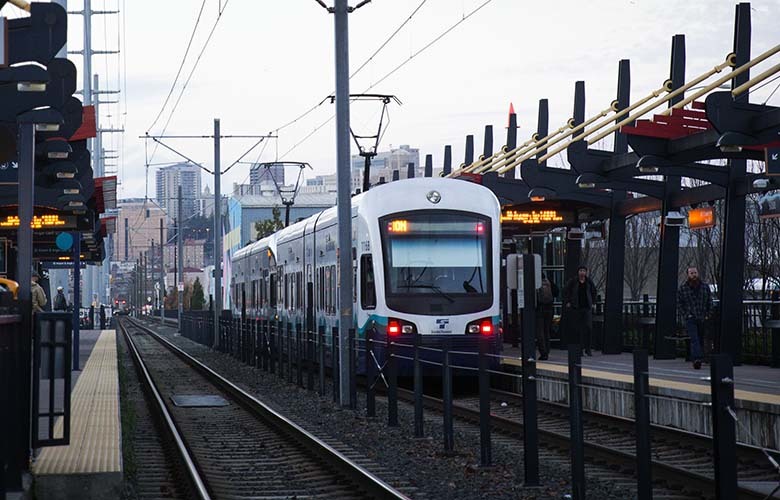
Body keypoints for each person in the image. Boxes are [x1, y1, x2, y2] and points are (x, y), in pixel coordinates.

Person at [677, 266, 713, 370]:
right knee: (694, 339)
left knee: (700, 338)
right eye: (692, 273)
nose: (694, 275)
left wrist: (708, 314)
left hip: (702, 317)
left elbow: (709, 301)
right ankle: (697, 359)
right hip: (690, 318)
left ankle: (698, 358)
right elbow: (679, 304)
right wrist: (686, 314)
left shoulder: (705, 287)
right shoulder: (683, 289)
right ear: (688, 275)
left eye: (695, 273)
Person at [563, 266, 597, 356]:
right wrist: (568, 301)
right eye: (581, 271)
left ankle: (588, 348)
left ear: (586, 272)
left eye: (584, 271)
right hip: (576, 308)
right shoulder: (573, 282)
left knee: (588, 328)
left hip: (587, 308)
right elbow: (566, 291)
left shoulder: (589, 282)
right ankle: (580, 349)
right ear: (578, 272)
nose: (582, 273)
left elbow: (594, 292)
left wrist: (593, 303)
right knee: (578, 329)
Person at [535, 273, 558, 360]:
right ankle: (547, 350)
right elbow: (556, 292)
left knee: (540, 332)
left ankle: (543, 353)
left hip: (540, 309)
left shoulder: (536, 283)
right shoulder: (548, 282)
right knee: (546, 331)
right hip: (549, 309)